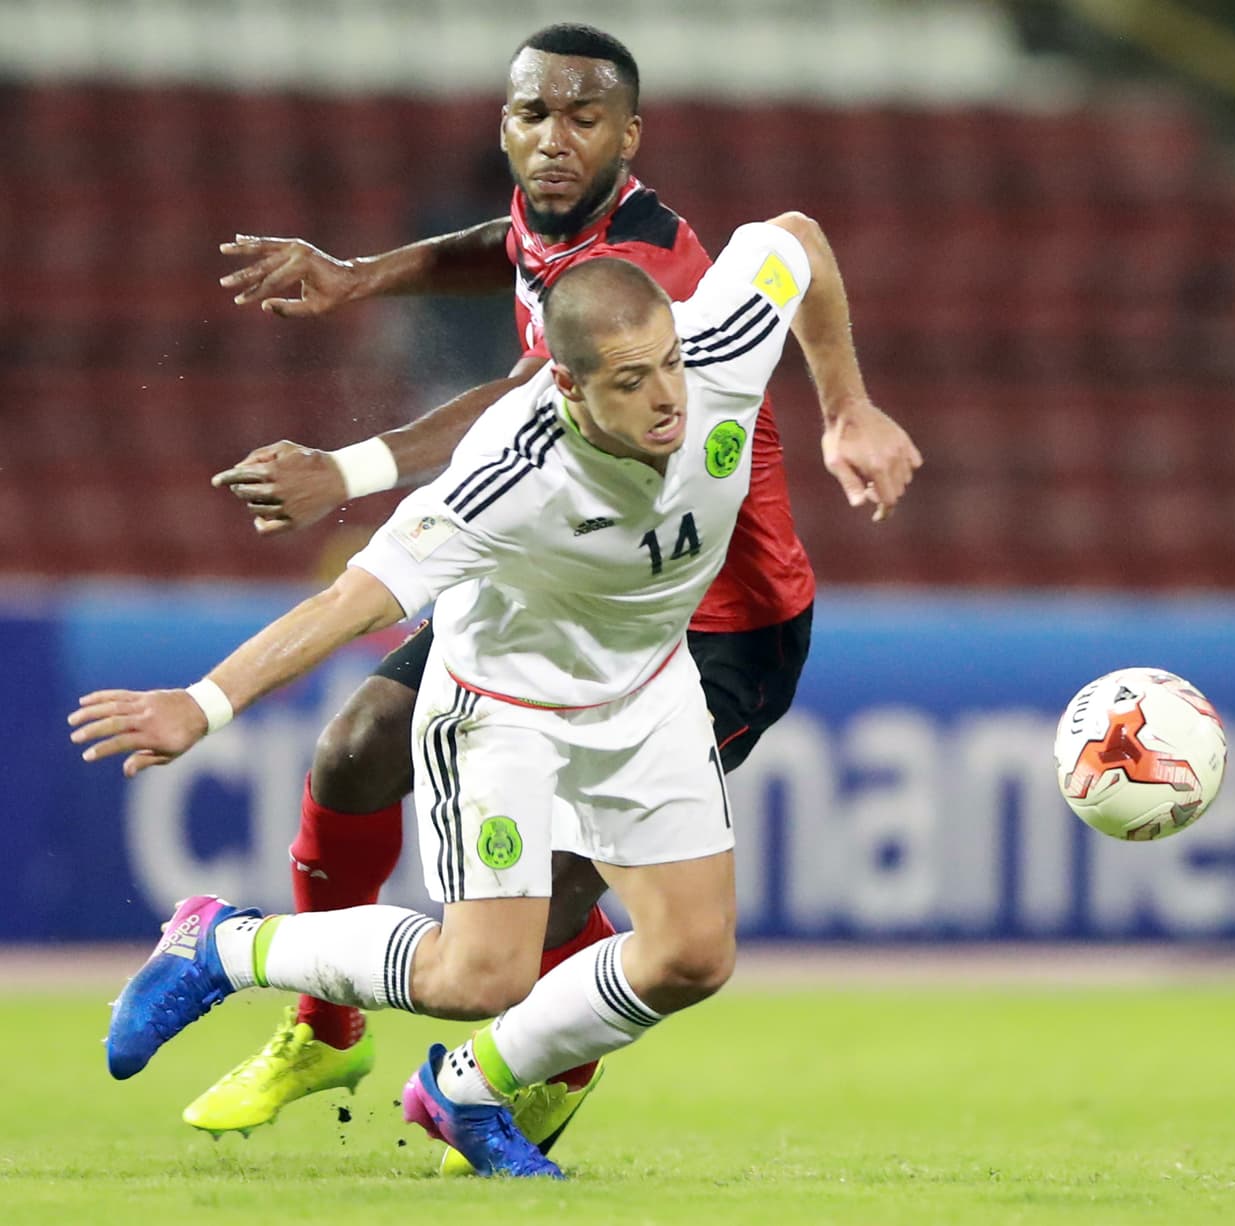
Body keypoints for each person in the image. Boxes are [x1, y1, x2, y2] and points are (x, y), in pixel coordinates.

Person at [201, 23, 921, 1163]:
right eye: (533, 114)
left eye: (583, 117)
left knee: (551, 896)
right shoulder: (561, 221)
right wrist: (365, 274)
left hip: (709, 622)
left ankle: (527, 1072)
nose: (553, 137)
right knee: (353, 747)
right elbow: (515, 249)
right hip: (554, 579)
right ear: (504, 123)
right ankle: (324, 1027)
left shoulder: (659, 283)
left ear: (630, 137)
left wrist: (342, 473)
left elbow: (521, 403)